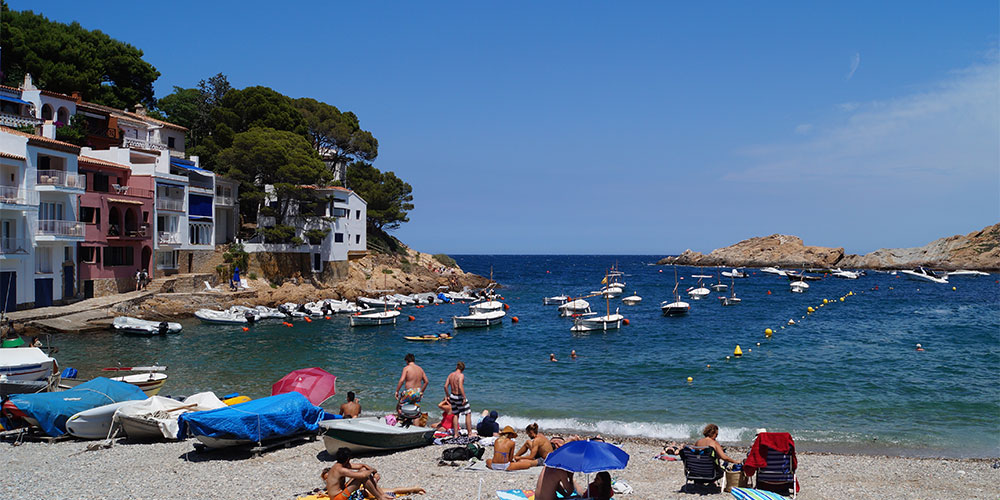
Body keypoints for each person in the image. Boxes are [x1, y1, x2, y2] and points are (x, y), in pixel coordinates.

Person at [323, 447, 391, 500]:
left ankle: (381, 494)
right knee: (363, 477)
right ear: (348, 459)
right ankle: (379, 497)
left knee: (363, 470)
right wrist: (372, 470)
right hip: (338, 498)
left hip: (342, 492)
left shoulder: (340, 465)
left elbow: (361, 466)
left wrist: (374, 472)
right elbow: (363, 475)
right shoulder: (341, 470)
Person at [444, 361, 472, 437]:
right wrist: (464, 397)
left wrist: (447, 395)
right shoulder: (461, 375)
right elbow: (460, 386)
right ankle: (470, 433)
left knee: (456, 414)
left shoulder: (451, 375)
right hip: (458, 396)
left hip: (452, 396)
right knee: (468, 413)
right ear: (463, 369)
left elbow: (445, 386)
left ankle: (456, 434)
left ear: (457, 367)